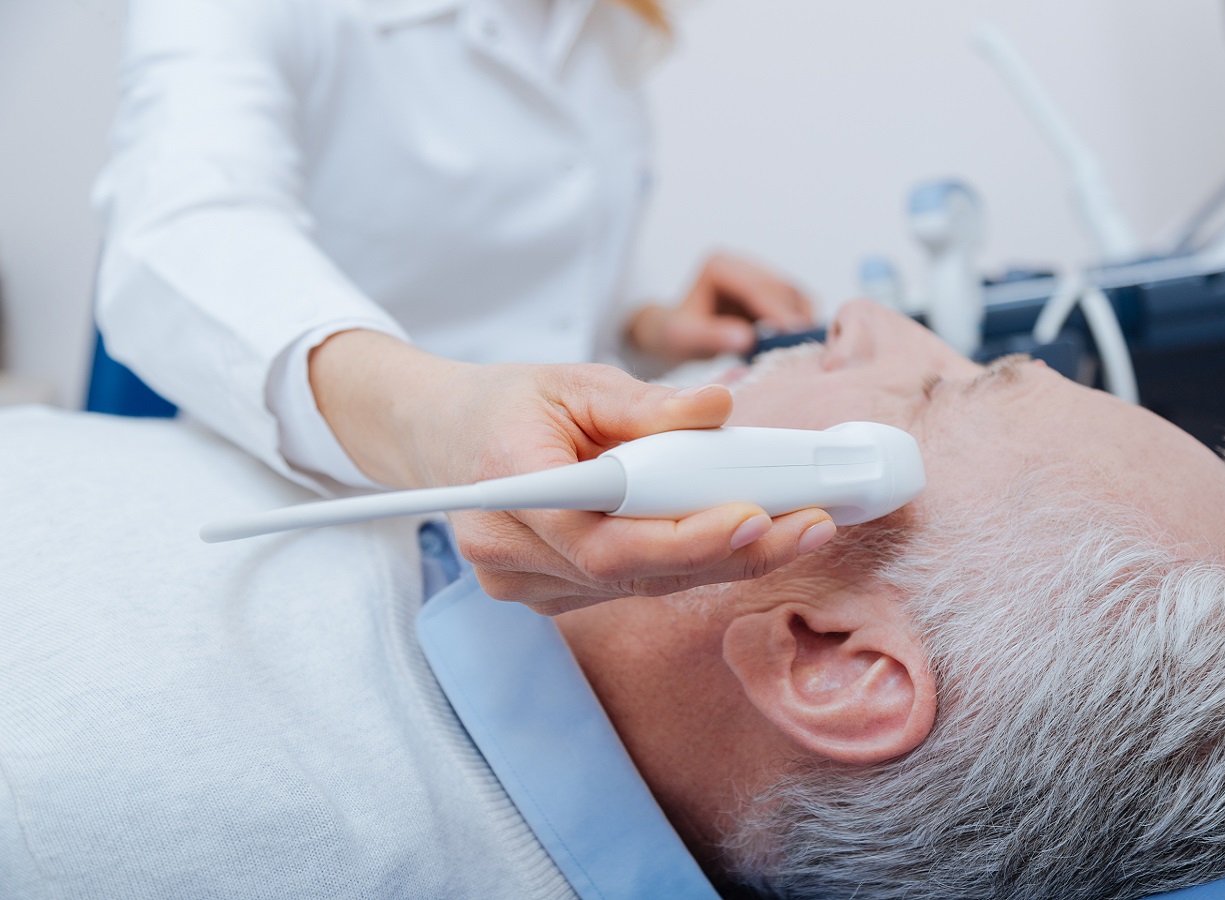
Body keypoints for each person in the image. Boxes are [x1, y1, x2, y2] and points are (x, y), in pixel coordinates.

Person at [0, 301, 1225, 899]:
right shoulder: (461, 579)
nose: (868, 320)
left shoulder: (111, 777)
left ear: (831, 662)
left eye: (937, 389)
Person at [93, 0, 826, 613]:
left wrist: (649, 324)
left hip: (549, 517)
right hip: (321, 528)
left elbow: (537, 290)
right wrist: (445, 424)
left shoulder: (608, 21)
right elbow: (180, 234)